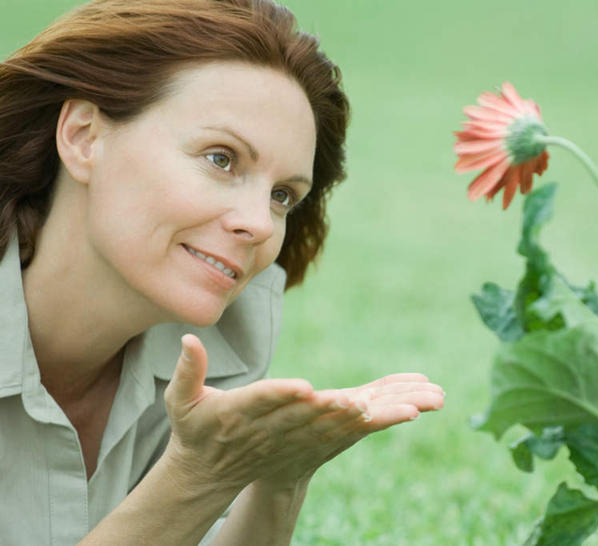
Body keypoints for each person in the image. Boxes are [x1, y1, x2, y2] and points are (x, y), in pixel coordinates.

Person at [0, 1, 445, 544]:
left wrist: (281, 475)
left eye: (283, 195)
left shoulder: (213, 343)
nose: (260, 225)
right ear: (84, 136)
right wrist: (197, 476)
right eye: (221, 158)